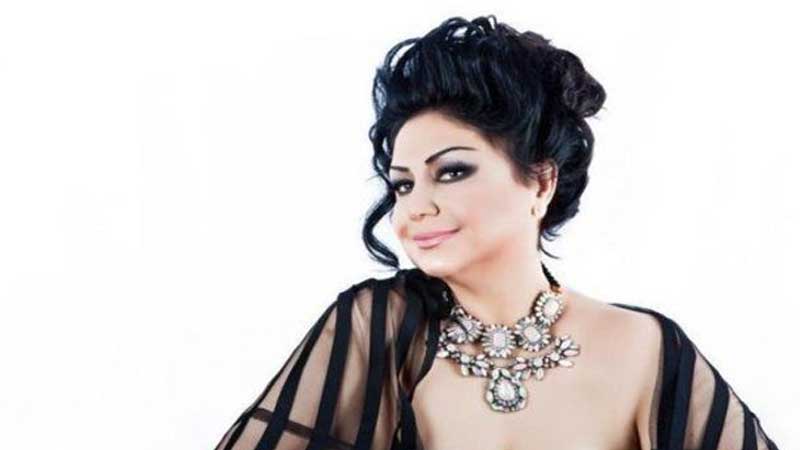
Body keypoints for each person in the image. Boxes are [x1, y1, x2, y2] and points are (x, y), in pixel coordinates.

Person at [213, 15, 780, 450]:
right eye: (403, 185)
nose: (416, 208)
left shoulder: (644, 348)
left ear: (540, 182)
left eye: (452, 172)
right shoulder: (377, 326)